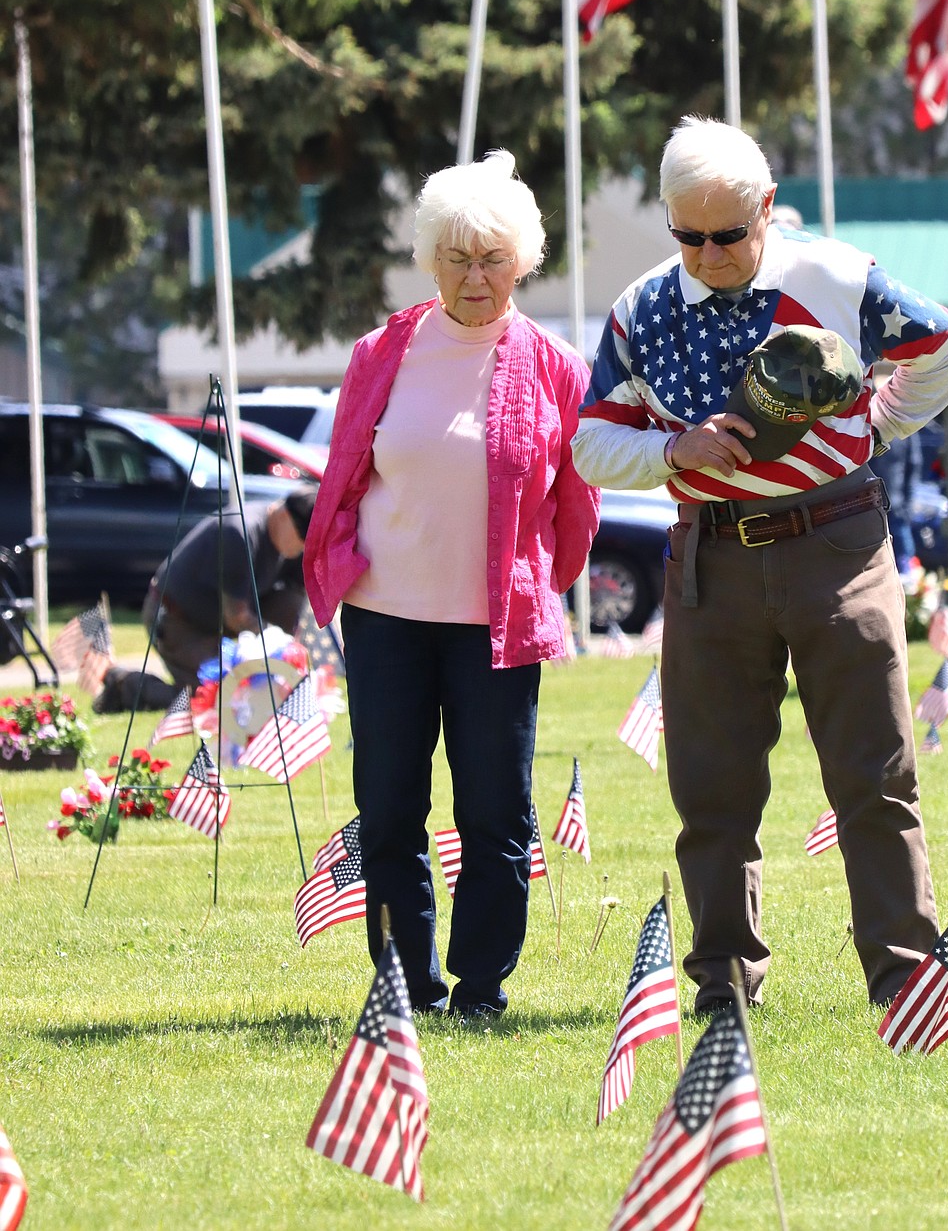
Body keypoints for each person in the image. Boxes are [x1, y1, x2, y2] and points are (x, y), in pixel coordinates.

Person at [572, 118, 948, 1012]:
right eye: (688, 235)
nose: (708, 253)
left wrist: (878, 422)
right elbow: (592, 442)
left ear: (767, 210)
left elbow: (947, 349)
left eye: (728, 233)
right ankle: (720, 981)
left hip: (838, 541)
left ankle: (905, 976)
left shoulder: (837, 275)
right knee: (710, 787)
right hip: (711, 554)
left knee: (875, 771)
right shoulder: (640, 309)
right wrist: (678, 451)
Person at [304, 151, 600, 1019]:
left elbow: (575, 506)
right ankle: (405, 984)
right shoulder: (381, 352)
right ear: (430, 258)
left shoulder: (556, 366)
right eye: (460, 257)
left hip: (495, 627)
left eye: (494, 258)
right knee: (389, 809)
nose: (477, 276)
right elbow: (347, 471)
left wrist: (540, 586)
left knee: (496, 814)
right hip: (385, 618)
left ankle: (479, 988)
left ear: (523, 262)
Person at [94, 487, 317, 713]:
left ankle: (268, 675)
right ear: (284, 515)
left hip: (222, 622)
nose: (303, 547)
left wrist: (291, 656)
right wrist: (280, 642)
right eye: (303, 537)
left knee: (289, 605)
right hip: (177, 619)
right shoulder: (239, 532)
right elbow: (236, 617)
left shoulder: (290, 545)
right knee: (218, 698)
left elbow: (295, 599)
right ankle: (124, 684)